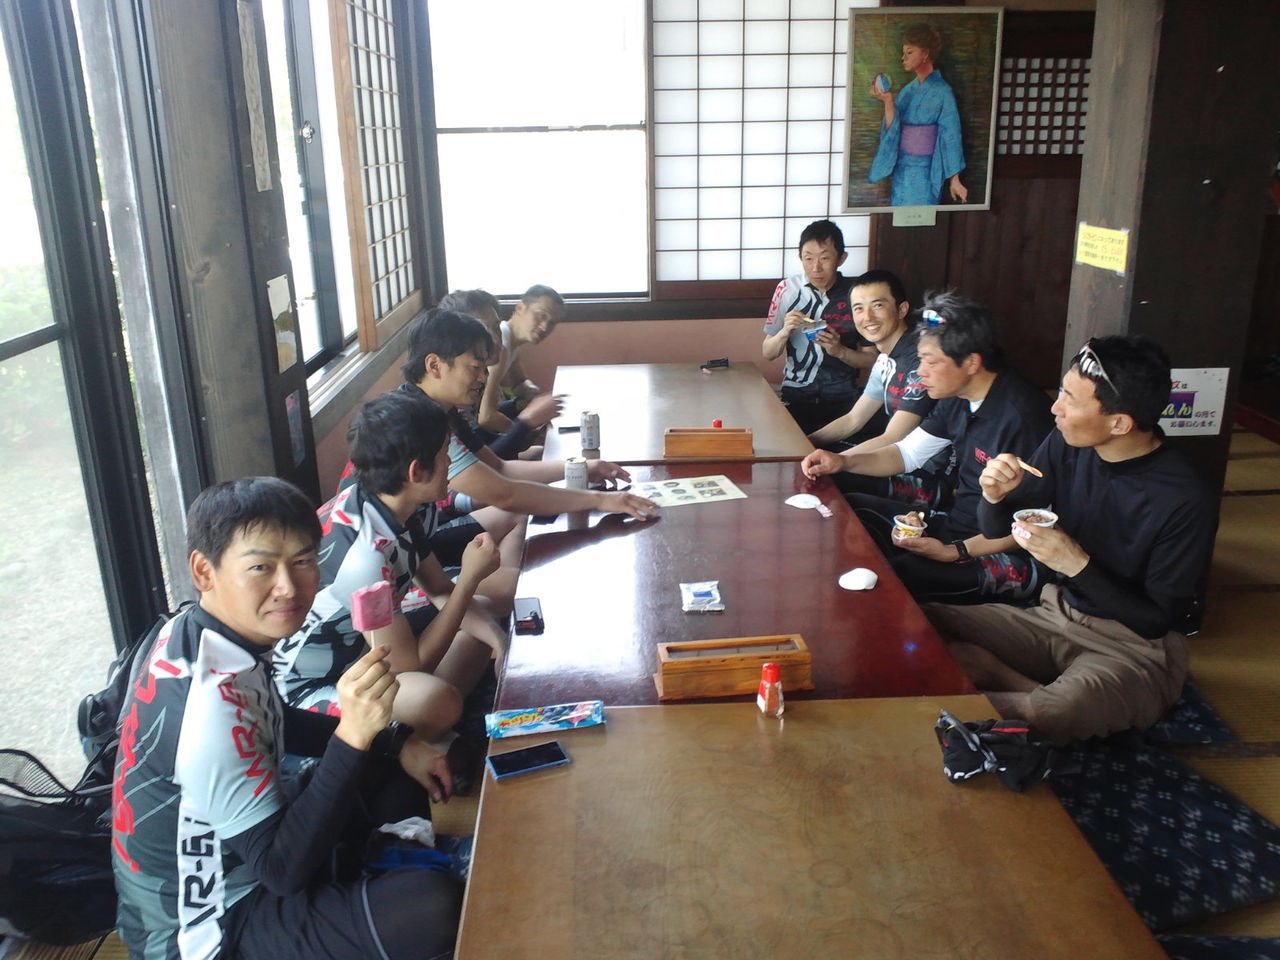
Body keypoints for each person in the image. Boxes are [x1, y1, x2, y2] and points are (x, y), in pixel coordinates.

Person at [112, 476, 463, 960]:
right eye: (261, 567)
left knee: (391, 759)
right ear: (204, 571)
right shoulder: (208, 709)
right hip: (207, 926)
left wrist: (394, 742)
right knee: (434, 908)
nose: (288, 587)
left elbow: (277, 718)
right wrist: (354, 734)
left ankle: (380, 872)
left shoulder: (202, 632)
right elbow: (281, 873)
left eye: (302, 561)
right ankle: (384, 881)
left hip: (244, 850)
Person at [925, 335, 1217, 744]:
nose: (1054, 407)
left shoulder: (1185, 497)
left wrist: (1077, 564)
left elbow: (1156, 621)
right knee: (924, 620)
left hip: (1134, 648)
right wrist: (994, 495)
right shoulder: (1068, 443)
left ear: (1119, 424)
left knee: (1057, 711)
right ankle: (1010, 679)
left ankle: (1012, 689)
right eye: (1061, 391)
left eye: (1070, 399)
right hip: (1056, 614)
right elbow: (998, 529)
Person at [275, 390, 506, 741]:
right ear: (416, 471)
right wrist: (470, 578)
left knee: (481, 617)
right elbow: (411, 665)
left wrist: (502, 646)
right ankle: (409, 744)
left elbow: (438, 589)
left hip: (360, 655)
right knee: (434, 699)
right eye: (445, 454)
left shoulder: (393, 505)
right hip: (306, 688)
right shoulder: (364, 556)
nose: (450, 464)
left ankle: (422, 733)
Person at [802, 290, 1053, 604]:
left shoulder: (1022, 417)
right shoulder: (957, 396)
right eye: (920, 359)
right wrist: (842, 462)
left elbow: (1035, 523)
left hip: (1007, 552)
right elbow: (906, 453)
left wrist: (954, 551)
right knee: (854, 510)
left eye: (930, 361)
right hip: (958, 525)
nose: (920, 371)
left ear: (971, 362)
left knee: (892, 578)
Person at [401, 308, 658, 584]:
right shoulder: (421, 420)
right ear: (434, 365)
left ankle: (506, 586)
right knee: (517, 521)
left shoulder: (442, 410)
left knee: (522, 516)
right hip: (412, 557)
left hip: (425, 534)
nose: (483, 378)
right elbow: (504, 493)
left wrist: (582, 466)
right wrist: (601, 500)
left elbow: (499, 467)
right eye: (475, 368)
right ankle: (501, 592)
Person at [806, 269, 945, 507]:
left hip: (927, 475)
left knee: (826, 480)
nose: (867, 317)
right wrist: (805, 443)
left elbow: (894, 436)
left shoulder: (920, 360)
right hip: (895, 457)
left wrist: (836, 461)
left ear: (901, 309)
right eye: (859, 308)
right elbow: (853, 420)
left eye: (878, 305)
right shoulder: (885, 358)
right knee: (819, 457)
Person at [762, 219, 876, 434]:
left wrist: (840, 351)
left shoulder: (857, 294)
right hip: (796, 392)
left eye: (825, 258)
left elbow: (871, 359)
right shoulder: (786, 289)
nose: (816, 267)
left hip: (843, 396)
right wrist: (785, 332)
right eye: (808, 258)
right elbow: (768, 352)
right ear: (800, 257)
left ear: (841, 259)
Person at [438, 288, 559, 459]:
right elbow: (486, 419)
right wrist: (524, 425)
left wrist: (525, 407)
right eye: (482, 331)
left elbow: (482, 445)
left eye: (496, 327)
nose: (495, 339)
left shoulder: (474, 381)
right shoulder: (443, 406)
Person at [869, 23, 968, 207]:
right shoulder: (907, 91)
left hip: (925, 170)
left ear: (925, 54)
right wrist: (888, 102)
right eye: (903, 53)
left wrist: (955, 179)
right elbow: (893, 130)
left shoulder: (943, 92)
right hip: (901, 169)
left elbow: (951, 136)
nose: (903, 58)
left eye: (909, 52)